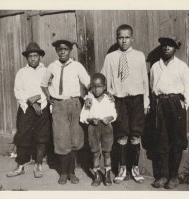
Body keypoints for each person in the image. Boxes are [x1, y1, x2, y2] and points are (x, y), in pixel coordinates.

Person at [101, 24, 149, 184]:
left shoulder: (139, 56)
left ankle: (134, 167)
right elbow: (104, 78)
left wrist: (146, 101)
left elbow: (144, 80)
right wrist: (106, 98)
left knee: (135, 134)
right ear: (117, 38)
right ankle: (122, 168)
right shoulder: (111, 57)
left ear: (132, 38)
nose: (124, 40)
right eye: (120, 37)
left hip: (136, 99)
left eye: (127, 37)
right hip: (118, 99)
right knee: (121, 134)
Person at [41, 38, 90, 185]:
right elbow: (44, 84)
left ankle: (72, 172)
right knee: (61, 138)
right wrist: (49, 97)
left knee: (74, 138)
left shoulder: (77, 66)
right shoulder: (52, 67)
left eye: (66, 49)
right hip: (58, 105)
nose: (62, 51)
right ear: (56, 51)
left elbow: (88, 83)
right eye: (60, 49)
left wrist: (88, 97)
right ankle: (63, 172)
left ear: (70, 50)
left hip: (75, 103)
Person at [149, 36, 189, 189]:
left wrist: (183, 105)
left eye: (171, 45)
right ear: (161, 47)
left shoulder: (181, 67)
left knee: (176, 140)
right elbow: (152, 87)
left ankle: (174, 176)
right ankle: (163, 175)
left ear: (176, 48)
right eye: (164, 45)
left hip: (176, 105)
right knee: (161, 140)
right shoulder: (155, 66)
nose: (167, 48)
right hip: (160, 104)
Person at [6, 42, 51, 178]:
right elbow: (17, 91)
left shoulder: (46, 71)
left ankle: (38, 165)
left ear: (40, 57)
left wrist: (39, 100)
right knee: (23, 136)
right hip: (26, 109)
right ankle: (20, 166)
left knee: (41, 137)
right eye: (30, 56)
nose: (32, 58)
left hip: (42, 107)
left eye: (35, 55)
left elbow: (48, 90)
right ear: (27, 57)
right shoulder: (21, 72)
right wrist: (31, 102)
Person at [80, 73, 117, 186]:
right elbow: (82, 117)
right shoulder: (89, 101)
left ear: (105, 87)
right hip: (93, 129)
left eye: (99, 86)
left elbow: (114, 114)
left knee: (107, 152)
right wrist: (91, 120)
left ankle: (107, 175)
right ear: (91, 87)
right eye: (94, 87)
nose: (96, 89)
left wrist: (109, 118)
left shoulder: (109, 99)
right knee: (95, 153)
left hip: (107, 128)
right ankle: (96, 176)